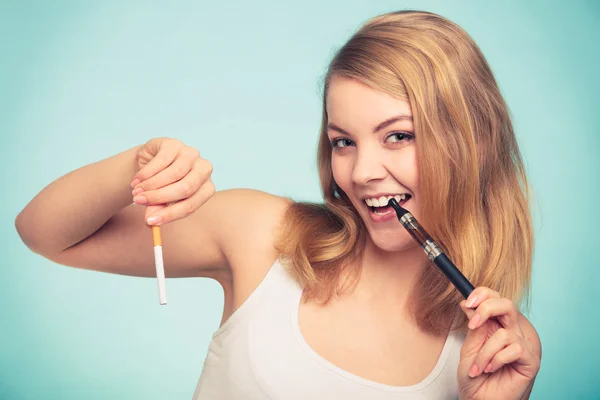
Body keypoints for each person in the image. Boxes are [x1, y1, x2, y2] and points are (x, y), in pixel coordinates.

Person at [15, 9, 541, 400]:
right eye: (343, 141)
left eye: (398, 136)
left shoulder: (493, 349)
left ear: (472, 141)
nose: (361, 172)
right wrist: (137, 164)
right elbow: (44, 233)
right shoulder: (265, 236)